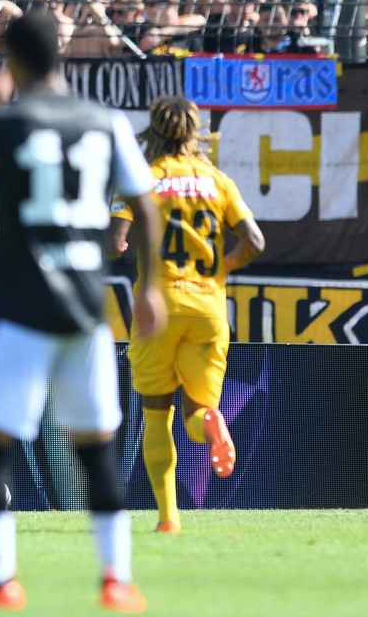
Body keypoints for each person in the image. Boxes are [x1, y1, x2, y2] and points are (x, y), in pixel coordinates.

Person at [0, 11, 163, 612]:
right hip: (86, 310)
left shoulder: (3, 123)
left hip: (21, 308)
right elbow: (145, 202)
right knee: (96, 446)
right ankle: (118, 580)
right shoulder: (104, 121)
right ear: (60, 56)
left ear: (9, 60)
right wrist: (151, 287)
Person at [109, 96, 264, 535]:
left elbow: (115, 242)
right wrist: (222, 268)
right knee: (199, 409)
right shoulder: (218, 181)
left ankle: (168, 518)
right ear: (196, 132)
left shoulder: (141, 179)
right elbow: (255, 240)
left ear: (153, 131)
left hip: (159, 307)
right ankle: (211, 423)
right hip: (209, 307)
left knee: (156, 413)